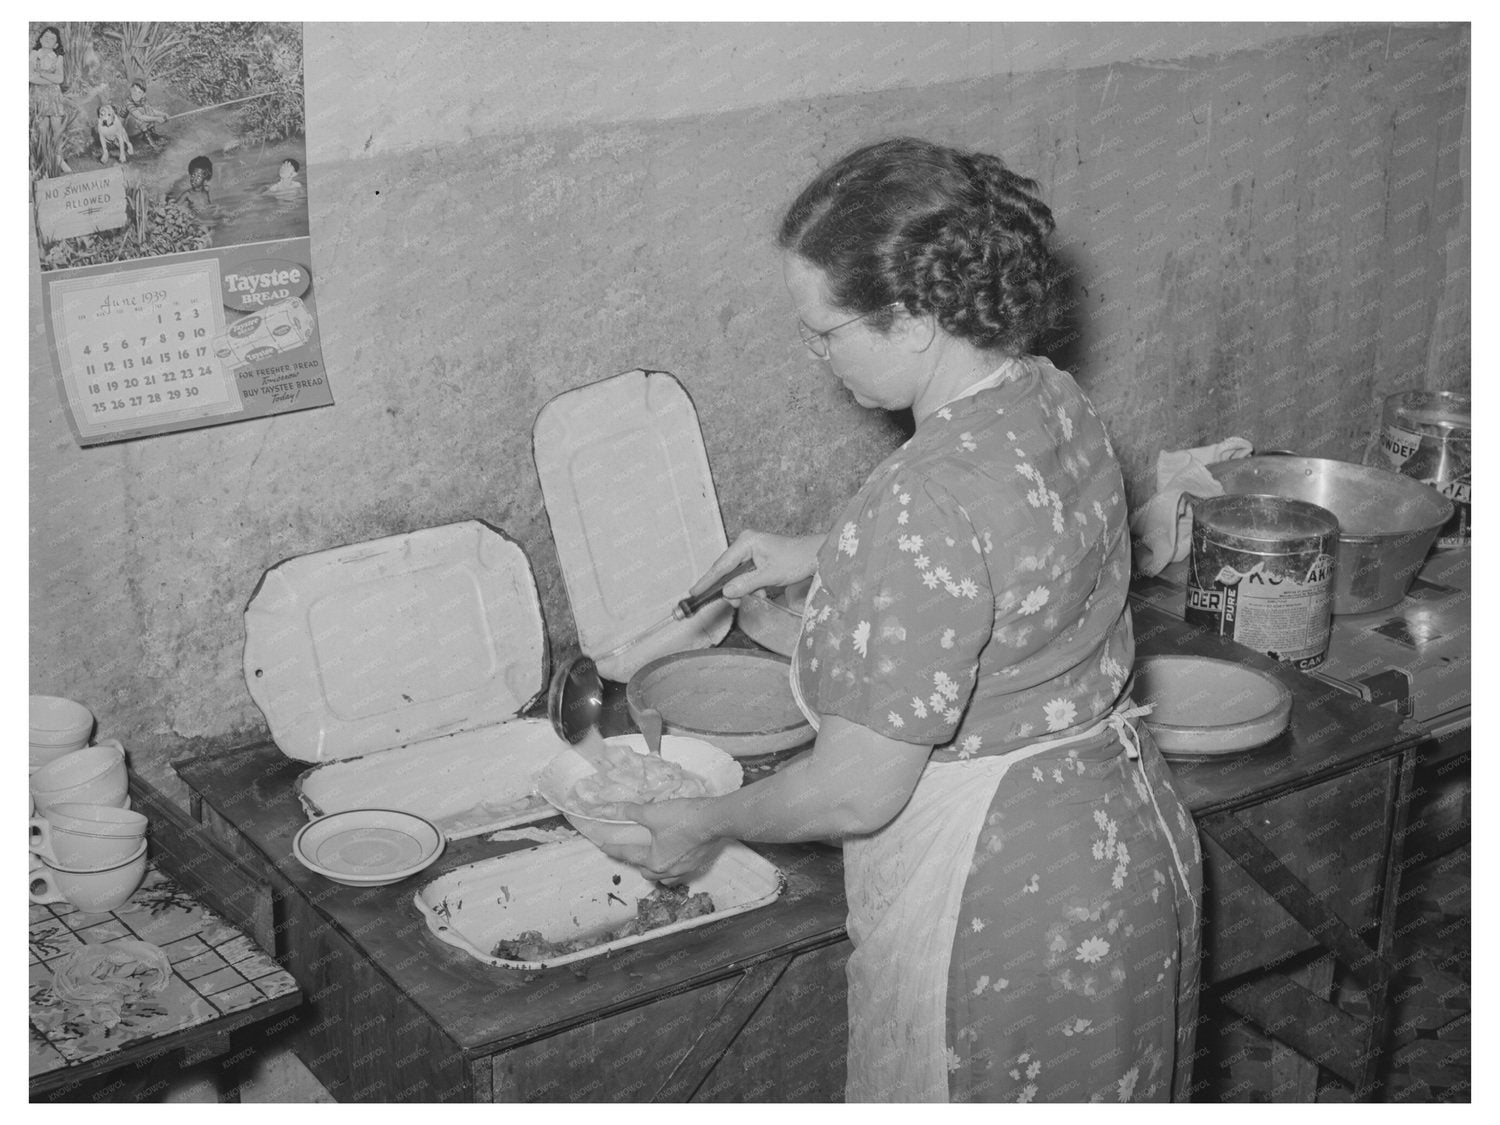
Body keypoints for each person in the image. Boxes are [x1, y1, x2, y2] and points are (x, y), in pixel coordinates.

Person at [601, 137, 1203, 1103]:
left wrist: (702, 823)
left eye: (825, 330)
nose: (815, 353)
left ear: (916, 318)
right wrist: (826, 550)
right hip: (1120, 850)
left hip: (995, 895)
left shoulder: (918, 501)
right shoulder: (1048, 396)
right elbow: (1002, 531)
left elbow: (854, 792)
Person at [29, 26, 71, 175]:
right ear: (40, 39)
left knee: (57, 128)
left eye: (52, 38)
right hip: (38, 96)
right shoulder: (34, 54)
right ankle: (45, 160)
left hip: (54, 97)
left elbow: (60, 78)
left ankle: (59, 158)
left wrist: (41, 74)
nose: (48, 40)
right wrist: (49, 79)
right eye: (45, 37)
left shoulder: (58, 57)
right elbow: (30, 77)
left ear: (56, 44)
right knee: (43, 129)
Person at [123, 80, 168, 149]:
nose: (136, 94)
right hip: (126, 130)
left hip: (136, 126)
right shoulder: (128, 101)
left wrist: (163, 114)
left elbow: (151, 110)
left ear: (143, 94)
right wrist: (157, 119)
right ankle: (148, 139)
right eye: (134, 91)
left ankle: (151, 133)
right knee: (139, 118)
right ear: (131, 90)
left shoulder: (143, 99)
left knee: (148, 110)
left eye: (139, 92)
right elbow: (140, 117)